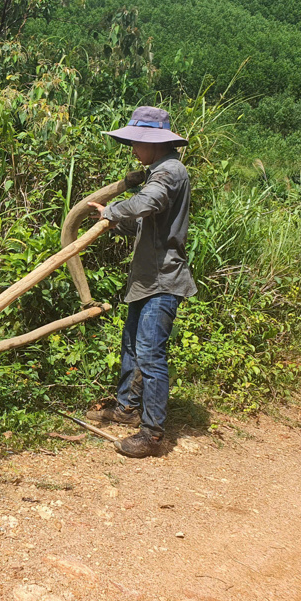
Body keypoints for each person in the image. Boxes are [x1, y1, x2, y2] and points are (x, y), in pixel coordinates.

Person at [85, 106, 197, 458]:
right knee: (132, 347)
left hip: (164, 281)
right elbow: (146, 221)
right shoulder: (159, 172)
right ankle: (127, 409)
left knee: (149, 354)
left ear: (154, 142)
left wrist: (115, 210)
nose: (133, 149)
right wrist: (113, 220)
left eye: (137, 142)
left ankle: (151, 435)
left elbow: (148, 203)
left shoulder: (169, 171)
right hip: (146, 280)